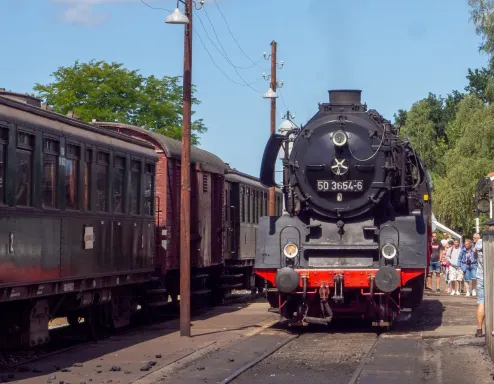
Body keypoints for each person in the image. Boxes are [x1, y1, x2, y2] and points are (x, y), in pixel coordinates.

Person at [473, 232, 484, 337]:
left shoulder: (478, 244)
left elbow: (475, 255)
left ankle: (479, 329)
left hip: (481, 275)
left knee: (481, 302)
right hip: (491, 276)